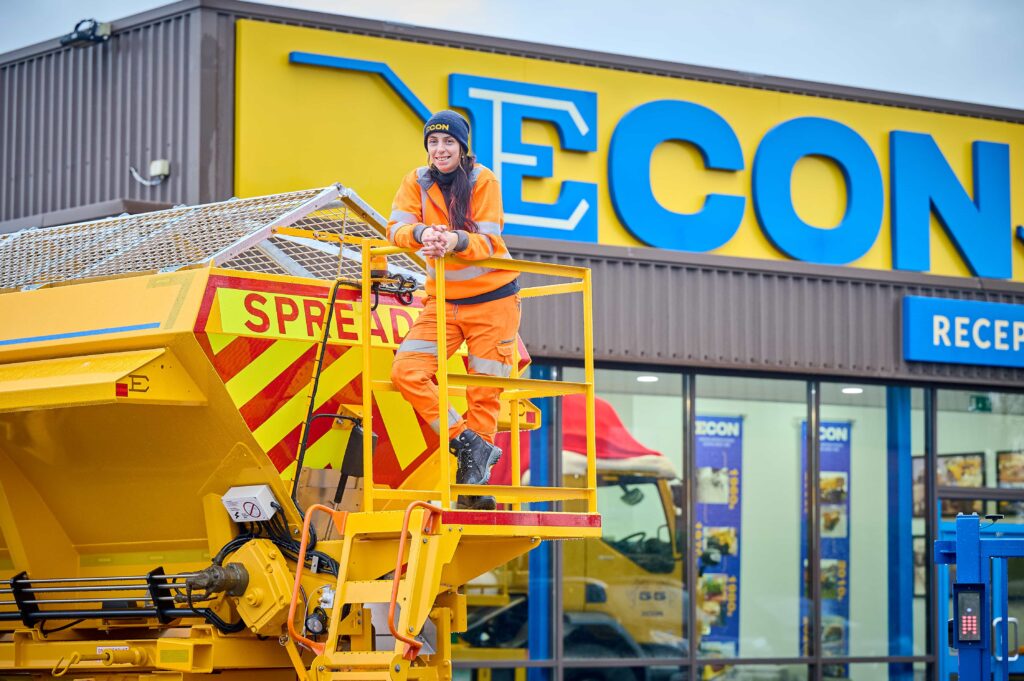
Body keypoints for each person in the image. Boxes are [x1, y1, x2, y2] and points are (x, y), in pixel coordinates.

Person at [387, 110, 521, 510]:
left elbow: (490, 242)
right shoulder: (416, 180)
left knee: (484, 393)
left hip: (494, 302)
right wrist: (423, 233)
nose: (440, 149)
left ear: (463, 148)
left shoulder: (484, 180)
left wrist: (454, 241)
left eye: (448, 142)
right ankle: (465, 442)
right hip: (442, 302)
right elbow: (394, 228)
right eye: (433, 142)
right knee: (406, 371)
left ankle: (472, 490)